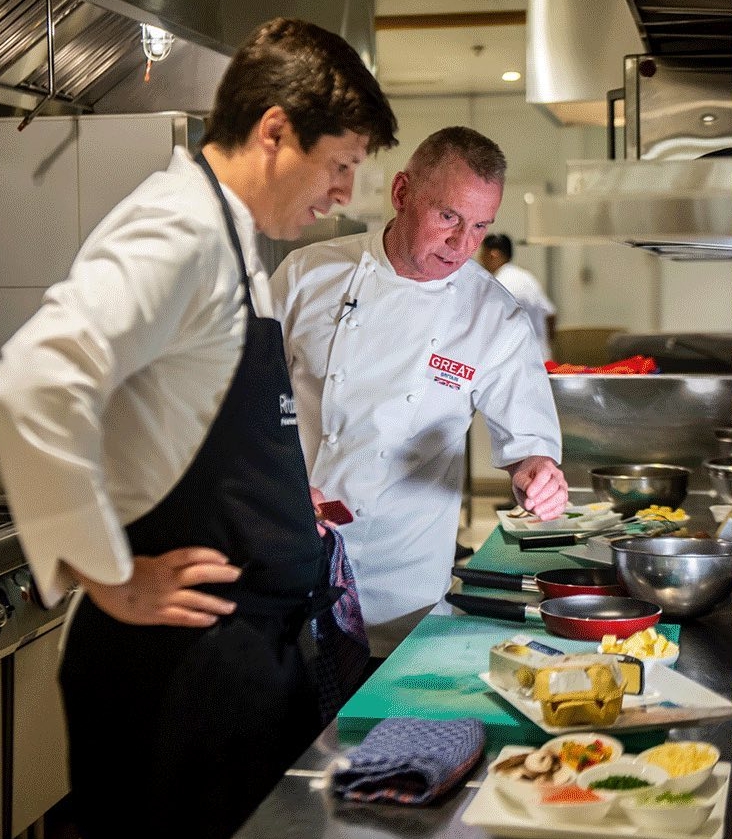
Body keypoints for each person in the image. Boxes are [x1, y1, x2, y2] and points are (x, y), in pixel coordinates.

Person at [0, 18, 397, 839]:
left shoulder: (229, 234)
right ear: (275, 131)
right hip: (178, 675)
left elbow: (194, 421)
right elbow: (33, 380)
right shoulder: (177, 227)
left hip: (243, 662)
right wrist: (108, 574)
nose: (343, 194)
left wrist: (281, 499)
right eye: (341, 166)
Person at [270, 126, 568, 662]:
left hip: (401, 582)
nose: (463, 244)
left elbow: (530, 444)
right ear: (402, 192)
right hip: (287, 551)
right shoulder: (305, 276)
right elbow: (247, 405)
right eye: (449, 217)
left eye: (480, 226)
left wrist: (537, 473)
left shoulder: (494, 317)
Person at [479, 232, 557, 360]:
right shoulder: (527, 277)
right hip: (540, 358)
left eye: (483, 254)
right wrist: (544, 344)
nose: (480, 259)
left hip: (515, 360)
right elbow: (551, 314)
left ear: (493, 254)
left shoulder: (498, 284)